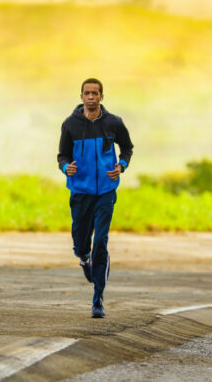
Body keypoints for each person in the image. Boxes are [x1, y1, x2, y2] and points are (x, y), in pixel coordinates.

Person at [57, 78, 134, 318]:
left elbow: (128, 148)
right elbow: (62, 156)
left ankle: (98, 298)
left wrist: (121, 166)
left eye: (95, 93)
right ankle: (83, 257)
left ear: (102, 96)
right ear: (81, 96)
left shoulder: (114, 123)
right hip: (81, 191)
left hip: (105, 192)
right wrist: (65, 167)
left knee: (101, 241)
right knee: (82, 243)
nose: (91, 97)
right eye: (87, 93)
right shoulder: (70, 125)